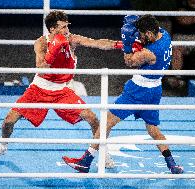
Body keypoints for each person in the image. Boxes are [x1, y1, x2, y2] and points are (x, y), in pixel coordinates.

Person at [0, 10, 122, 168]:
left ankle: (104, 153)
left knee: (93, 119)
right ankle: (2, 146)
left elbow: (97, 43)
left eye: (67, 26)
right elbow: (40, 68)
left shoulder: (72, 40)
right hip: (39, 88)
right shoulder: (41, 43)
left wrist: (119, 44)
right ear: (52, 29)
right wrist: (54, 50)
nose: (66, 30)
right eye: (62, 27)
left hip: (62, 91)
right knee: (9, 121)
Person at [62, 14, 184, 174]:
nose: (139, 36)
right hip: (155, 90)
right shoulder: (165, 35)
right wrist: (137, 32)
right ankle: (172, 164)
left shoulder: (150, 53)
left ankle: (86, 161)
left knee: (106, 122)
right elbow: (145, 39)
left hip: (138, 91)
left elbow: (129, 61)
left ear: (148, 33)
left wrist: (127, 43)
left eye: (141, 34)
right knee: (153, 129)